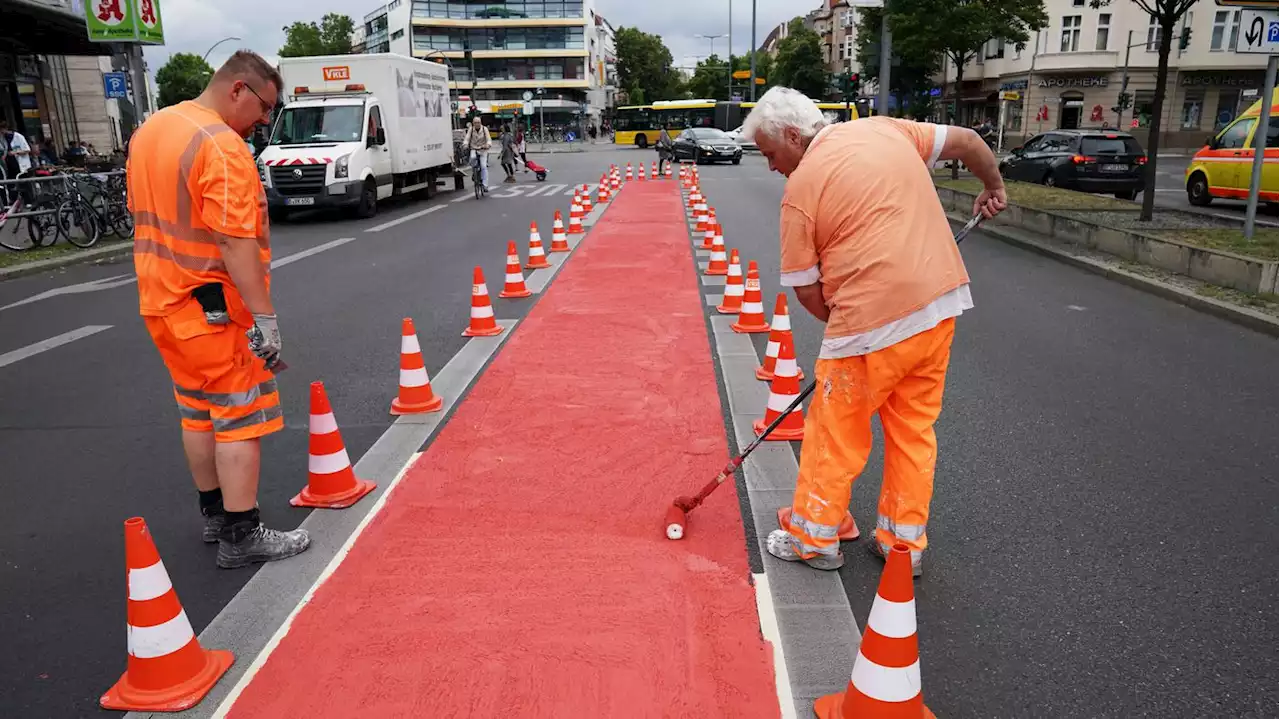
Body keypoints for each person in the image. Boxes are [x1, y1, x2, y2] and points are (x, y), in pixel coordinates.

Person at [744, 86, 1006, 577]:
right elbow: (970, 141)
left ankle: (813, 537)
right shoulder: (888, 129)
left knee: (835, 429)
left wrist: (852, 329)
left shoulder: (802, 190)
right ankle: (902, 544)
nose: (772, 166)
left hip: (870, 317)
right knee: (912, 428)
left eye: (771, 154)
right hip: (938, 306)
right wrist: (993, 187)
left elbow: (806, 291)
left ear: (794, 137)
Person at [126, 49, 310, 569]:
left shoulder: (152, 130)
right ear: (238, 90)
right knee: (238, 418)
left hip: (162, 301)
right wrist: (265, 320)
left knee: (196, 411)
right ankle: (242, 533)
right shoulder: (221, 145)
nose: (266, 120)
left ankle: (215, 515)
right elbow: (235, 242)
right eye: (265, 106)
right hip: (214, 308)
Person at [462, 115, 492, 192]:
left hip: (483, 149)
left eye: (478, 122)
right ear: (473, 123)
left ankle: (485, 185)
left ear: (480, 123)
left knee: (483, 166)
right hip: (473, 148)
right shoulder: (471, 129)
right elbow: (467, 138)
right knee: (472, 158)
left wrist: (488, 145)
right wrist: (465, 144)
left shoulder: (485, 129)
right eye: (475, 123)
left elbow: (488, 139)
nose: (477, 124)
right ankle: (474, 172)